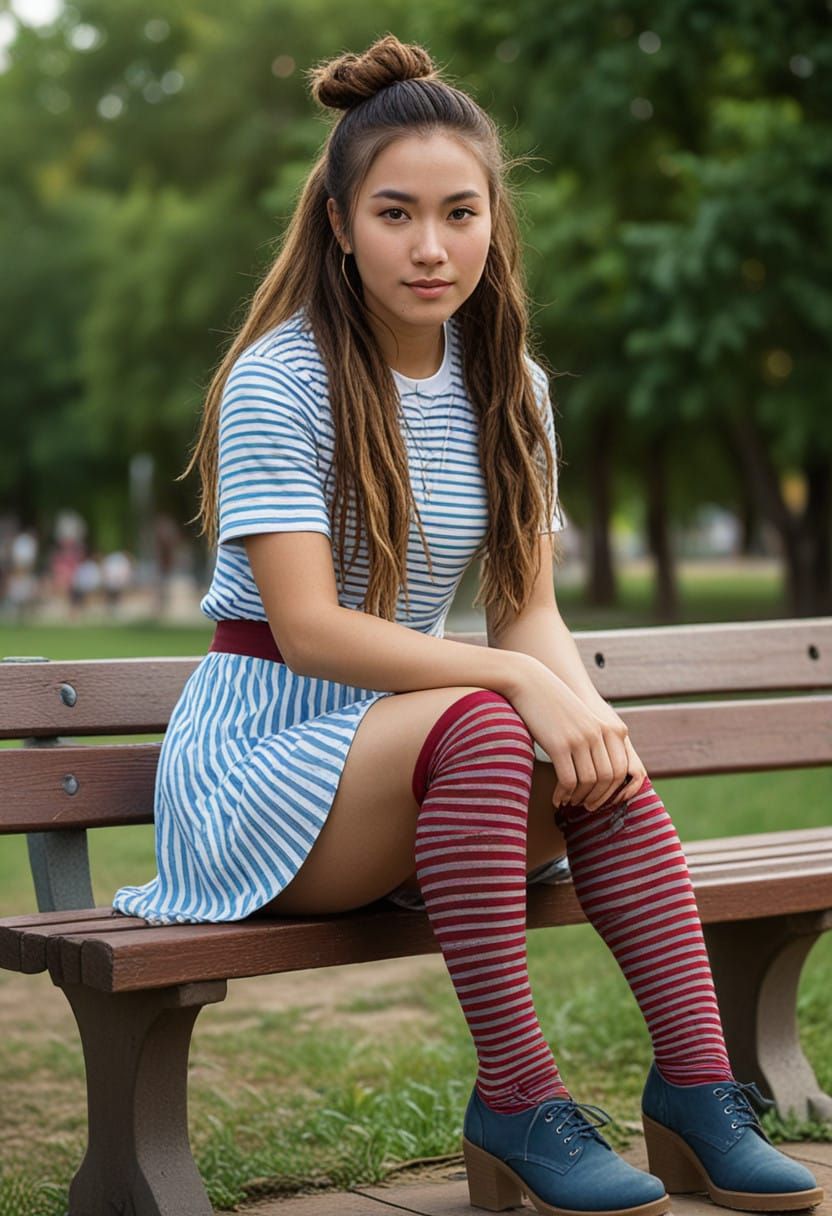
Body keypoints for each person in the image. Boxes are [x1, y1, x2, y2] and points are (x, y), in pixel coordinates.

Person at [111, 35, 822, 1216]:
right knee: (499, 723)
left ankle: (698, 1095)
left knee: (596, 754)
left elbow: (526, 609)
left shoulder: (513, 387)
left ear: (495, 220)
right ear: (338, 222)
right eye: (394, 213)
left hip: (424, 752)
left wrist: (582, 711)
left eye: (458, 212)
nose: (430, 247)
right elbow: (307, 631)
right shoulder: (278, 379)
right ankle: (518, 1097)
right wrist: (514, 683)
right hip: (262, 773)